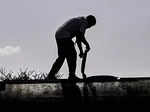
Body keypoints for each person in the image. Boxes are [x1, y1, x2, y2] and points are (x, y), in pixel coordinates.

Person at [47, 15, 96, 80]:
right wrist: (87, 45)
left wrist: (81, 51)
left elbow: (78, 39)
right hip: (65, 36)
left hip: (59, 35)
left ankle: (51, 75)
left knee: (61, 57)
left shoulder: (80, 20)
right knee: (72, 55)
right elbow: (81, 37)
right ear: (89, 22)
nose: (89, 27)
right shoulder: (84, 22)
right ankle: (72, 75)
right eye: (91, 25)